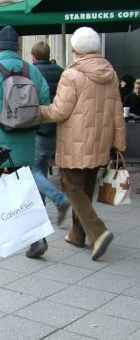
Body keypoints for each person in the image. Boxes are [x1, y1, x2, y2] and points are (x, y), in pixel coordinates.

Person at [39, 27, 126, 261]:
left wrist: (37, 111)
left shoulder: (72, 74)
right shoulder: (110, 73)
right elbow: (117, 111)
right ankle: (77, 235)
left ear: (75, 49)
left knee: (71, 188)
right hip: (100, 143)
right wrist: (119, 144)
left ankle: (98, 233)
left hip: (75, 144)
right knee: (85, 189)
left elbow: (59, 111)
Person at [0, 25, 51, 258]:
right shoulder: (33, 71)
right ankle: (37, 238)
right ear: (17, 48)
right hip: (27, 143)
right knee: (23, 190)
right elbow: (44, 102)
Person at [30, 41, 70, 226]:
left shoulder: (31, 72)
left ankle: (59, 199)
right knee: (41, 169)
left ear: (33, 57)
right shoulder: (62, 72)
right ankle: (40, 211)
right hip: (56, 129)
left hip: (38, 128)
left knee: (33, 170)